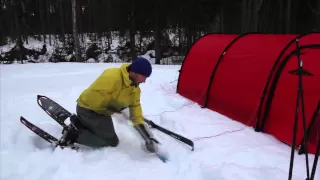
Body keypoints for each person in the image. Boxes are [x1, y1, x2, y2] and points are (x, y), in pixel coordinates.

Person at [62, 57, 159, 153]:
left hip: (102, 112)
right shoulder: (112, 77)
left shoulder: (134, 89)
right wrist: (115, 108)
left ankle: (83, 124)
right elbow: (95, 101)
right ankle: (73, 135)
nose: (144, 81)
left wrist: (147, 137)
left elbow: (136, 110)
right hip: (88, 108)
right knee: (111, 142)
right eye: (144, 76)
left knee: (110, 138)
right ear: (134, 72)